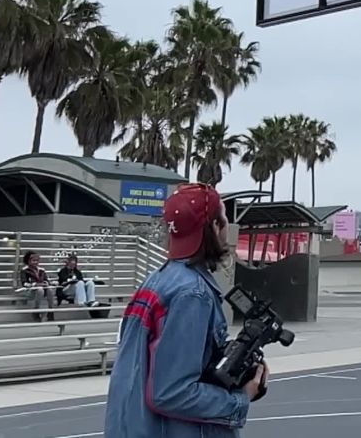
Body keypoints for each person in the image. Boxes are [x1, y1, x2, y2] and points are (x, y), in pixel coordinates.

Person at [105, 183, 268, 437]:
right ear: (214, 227)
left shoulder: (156, 280)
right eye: (224, 219)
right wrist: (240, 398)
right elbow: (171, 392)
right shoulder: (193, 293)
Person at [19, 251, 55, 322]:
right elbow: (24, 283)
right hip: (30, 290)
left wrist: (45, 283)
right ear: (28, 261)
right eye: (33, 260)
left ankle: (51, 311)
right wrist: (34, 284)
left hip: (41, 288)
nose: (35, 262)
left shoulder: (41, 270)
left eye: (37, 260)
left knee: (49, 289)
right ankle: (36, 310)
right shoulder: (24, 270)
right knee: (40, 289)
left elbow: (46, 280)